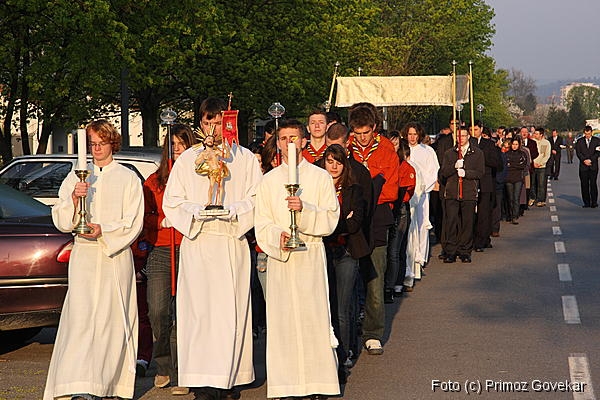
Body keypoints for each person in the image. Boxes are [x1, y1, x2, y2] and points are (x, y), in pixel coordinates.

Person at [162, 97, 262, 400]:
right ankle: (202, 381)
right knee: (199, 314)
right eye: (208, 122)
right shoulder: (188, 159)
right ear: (200, 124)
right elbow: (172, 201)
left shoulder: (243, 158)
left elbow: (257, 198)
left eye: (219, 122)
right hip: (199, 242)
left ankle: (229, 379)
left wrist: (233, 211)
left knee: (229, 314)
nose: (213, 128)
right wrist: (197, 211)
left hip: (230, 242)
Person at [44, 119, 144, 400]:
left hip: (114, 256)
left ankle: (110, 384)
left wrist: (105, 230)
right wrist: (75, 199)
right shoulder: (76, 176)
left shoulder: (127, 178)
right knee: (82, 319)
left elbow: (133, 220)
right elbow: (61, 219)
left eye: (102, 143)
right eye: (92, 144)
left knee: (111, 320)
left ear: (113, 143)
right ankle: (78, 384)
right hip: (85, 258)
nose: (97, 148)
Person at [254, 119, 341, 399]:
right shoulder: (268, 181)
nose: (289, 143)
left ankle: (318, 383)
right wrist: (277, 237)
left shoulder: (320, 177)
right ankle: (286, 384)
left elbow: (331, 217)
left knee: (313, 318)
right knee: (283, 322)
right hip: (282, 260)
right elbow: (261, 222)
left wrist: (304, 210)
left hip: (310, 256)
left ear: (303, 141)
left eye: (294, 137)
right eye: (283, 138)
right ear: (277, 143)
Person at [142, 124, 196, 396]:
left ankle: (181, 370)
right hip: (162, 250)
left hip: (189, 248)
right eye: (173, 144)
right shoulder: (154, 181)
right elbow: (142, 217)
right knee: (158, 310)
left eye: (182, 144)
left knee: (184, 313)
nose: (177, 149)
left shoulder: (198, 179)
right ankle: (163, 363)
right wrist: (162, 222)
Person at [348, 104, 399, 355]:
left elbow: (391, 190)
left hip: (378, 216)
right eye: (357, 133)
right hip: (351, 217)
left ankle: (373, 332)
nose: (361, 138)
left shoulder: (387, 151)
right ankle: (348, 329)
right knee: (348, 276)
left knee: (375, 277)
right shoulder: (346, 149)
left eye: (365, 133)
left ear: (374, 128)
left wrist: (365, 193)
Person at [321, 144, 368, 383]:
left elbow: (355, 222)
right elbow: (315, 220)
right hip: (323, 251)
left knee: (342, 306)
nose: (334, 166)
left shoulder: (354, 189)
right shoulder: (318, 188)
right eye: (330, 161)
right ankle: (328, 352)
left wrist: (331, 224)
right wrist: (339, 220)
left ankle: (345, 352)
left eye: (338, 162)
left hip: (347, 250)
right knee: (326, 305)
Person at [439, 126, 484, 263]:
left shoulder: (477, 153)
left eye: (464, 136)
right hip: (452, 192)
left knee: (467, 223)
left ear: (468, 136)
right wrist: (454, 167)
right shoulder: (449, 153)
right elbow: (443, 173)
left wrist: (466, 173)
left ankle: (465, 251)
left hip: (469, 192)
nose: (461, 139)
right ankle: (450, 251)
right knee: (451, 222)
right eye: (458, 136)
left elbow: (480, 172)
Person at [470, 121, 502, 252]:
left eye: (476, 129)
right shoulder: (466, 144)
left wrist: (481, 158)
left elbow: (497, 163)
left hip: (485, 183)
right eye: (471, 130)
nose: (473, 132)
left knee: (484, 213)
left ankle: (481, 240)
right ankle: (471, 239)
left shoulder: (489, 144)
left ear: (481, 129)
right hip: (470, 183)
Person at [575, 125, 600, 208]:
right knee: (584, 184)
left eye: (589, 134)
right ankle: (586, 202)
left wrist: (591, 160)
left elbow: (598, 153)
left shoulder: (597, 141)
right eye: (586, 134)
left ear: (591, 133)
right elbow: (578, 153)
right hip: (583, 167)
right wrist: (584, 160)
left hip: (593, 166)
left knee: (593, 184)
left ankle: (594, 202)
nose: (587, 136)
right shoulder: (580, 141)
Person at [504, 138, 528, 224]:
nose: (514, 146)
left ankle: (515, 216)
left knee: (516, 198)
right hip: (508, 178)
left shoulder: (522, 154)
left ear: (519, 145)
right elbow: (505, 165)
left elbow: (523, 165)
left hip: (518, 179)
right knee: (510, 198)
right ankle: (511, 215)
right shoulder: (506, 154)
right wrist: (515, 165)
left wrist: (511, 164)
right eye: (513, 144)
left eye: (516, 144)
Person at [530, 127, 551, 207]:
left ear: (541, 135)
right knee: (532, 183)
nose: (535, 135)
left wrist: (541, 163)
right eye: (534, 133)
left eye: (536, 134)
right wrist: (533, 163)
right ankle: (532, 198)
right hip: (533, 165)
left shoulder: (546, 143)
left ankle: (541, 200)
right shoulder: (532, 142)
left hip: (542, 166)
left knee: (541, 184)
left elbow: (547, 155)